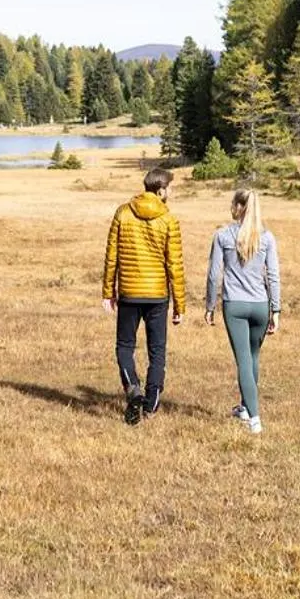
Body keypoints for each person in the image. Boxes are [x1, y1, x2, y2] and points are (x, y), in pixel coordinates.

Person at [102, 166, 187, 425]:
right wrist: (179, 305)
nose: (171, 192)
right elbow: (175, 264)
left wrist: (109, 291)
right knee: (157, 351)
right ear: (160, 190)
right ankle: (151, 402)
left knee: (125, 346)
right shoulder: (169, 219)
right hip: (158, 295)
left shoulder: (123, 212)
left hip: (129, 292)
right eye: (170, 188)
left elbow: (112, 255)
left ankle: (132, 387)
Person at [204, 188, 281, 435]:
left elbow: (214, 274)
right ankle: (246, 408)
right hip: (260, 305)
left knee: (244, 360)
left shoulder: (223, 236)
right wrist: (275, 309)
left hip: (234, 305)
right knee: (252, 357)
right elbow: (273, 276)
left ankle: (254, 418)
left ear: (238, 207)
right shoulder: (267, 238)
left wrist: (209, 305)